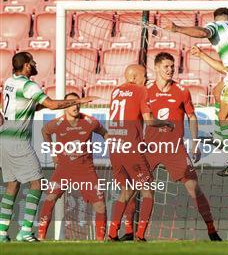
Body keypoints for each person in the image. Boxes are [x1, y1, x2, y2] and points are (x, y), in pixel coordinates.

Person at [120, 52, 221, 241]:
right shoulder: (145, 91)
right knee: (132, 187)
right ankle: (129, 231)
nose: (170, 70)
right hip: (149, 148)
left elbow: (191, 116)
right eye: (166, 66)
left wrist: (194, 142)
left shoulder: (182, 91)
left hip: (174, 148)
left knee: (194, 188)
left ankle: (212, 230)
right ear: (156, 68)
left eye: (172, 66)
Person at [0, 52, 97, 242]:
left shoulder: (10, 81)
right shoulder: (29, 85)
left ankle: (2, 233)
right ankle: (26, 231)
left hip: (4, 138)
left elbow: (29, 106)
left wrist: (42, 106)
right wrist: (78, 100)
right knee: (37, 183)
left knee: (12, 185)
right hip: (18, 141)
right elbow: (52, 105)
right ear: (27, 66)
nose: (35, 64)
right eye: (32, 62)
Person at [167, 7, 228, 176]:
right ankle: (219, 136)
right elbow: (226, 68)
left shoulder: (217, 26)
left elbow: (204, 32)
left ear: (215, 18)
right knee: (218, 91)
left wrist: (177, 29)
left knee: (225, 117)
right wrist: (203, 55)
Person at [107, 64, 173, 242]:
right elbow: (149, 121)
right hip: (131, 148)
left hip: (114, 148)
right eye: (145, 76)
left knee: (126, 190)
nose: (148, 79)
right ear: (135, 77)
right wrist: (166, 123)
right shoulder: (141, 90)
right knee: (148, 190)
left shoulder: (115, 91)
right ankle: (140, 235)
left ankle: (112, 233)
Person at [38, 93, 108, 241]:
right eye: (71, 103)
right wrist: (53, 153)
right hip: (63, 170)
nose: (75, 106)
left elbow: (104, 133)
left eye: (77, 103)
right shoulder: (56, 123)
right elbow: (44, 131)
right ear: (64, 106)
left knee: (100, 205)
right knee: (49, 199)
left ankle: (101, 241)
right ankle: (41, 236)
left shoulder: (90, 122)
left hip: (86, 171)